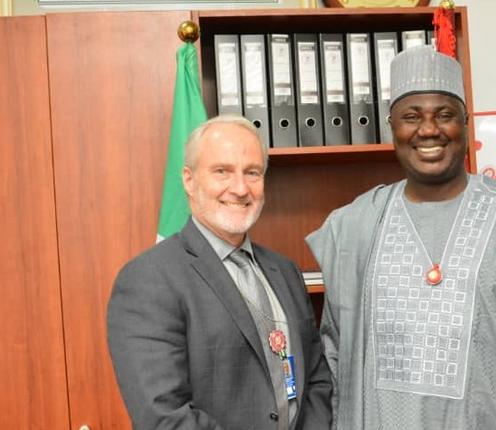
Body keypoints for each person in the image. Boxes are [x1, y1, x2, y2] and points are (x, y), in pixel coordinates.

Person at [306, 46, 496, 430]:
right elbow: (334, 355)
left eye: (444, 114)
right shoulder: (353, 227)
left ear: (466, 122)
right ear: (392, 125)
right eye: (412, 116)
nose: (428, 130)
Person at [107, 115, 332, 429]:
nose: (240, 188)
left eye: (252, 172)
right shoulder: (149, 279)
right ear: (189, 179)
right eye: (222, 171)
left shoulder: (285, 272)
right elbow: (164, 417)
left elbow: (317, 379)